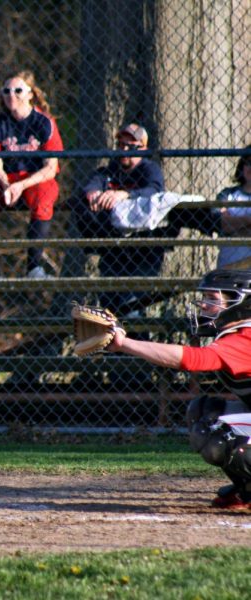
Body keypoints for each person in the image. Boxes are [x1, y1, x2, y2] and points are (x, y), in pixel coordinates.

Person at [107, 269, 251, 508]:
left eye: (213, 300)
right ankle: (247, 489)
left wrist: (125, 344)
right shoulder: (238, 333)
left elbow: (193, 360)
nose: (203, 306)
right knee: (204, 410)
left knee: (217, 434)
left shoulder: (246, 336)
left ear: (243, 303)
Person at [0, 70, 63, 281]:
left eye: (18, 90)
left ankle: (34, 269)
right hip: (8, 181)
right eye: (6, 90)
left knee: (44, 200)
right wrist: (7, 183)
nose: (12, 95)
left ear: (30, 94)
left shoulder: (44, 122)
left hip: (36, 179)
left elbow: (50, 168)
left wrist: (22, 185)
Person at [70, 123, 166, 314]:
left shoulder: (149, 169)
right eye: (120, 145)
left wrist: (124, 194)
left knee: (131, 306)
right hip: (113, 250)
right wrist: (94, 193)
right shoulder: (110, 171)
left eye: (130, 146)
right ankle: (114, 343)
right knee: (110, 306)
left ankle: (138, 342)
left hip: (142, 250)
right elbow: (91, 185)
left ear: (142, 148)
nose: (123, 150)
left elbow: (154, 190)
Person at [212, 149, 251, 270]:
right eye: (248, 162)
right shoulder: (227, 194)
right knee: (211, 289)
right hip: (227, 268)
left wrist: (235, 227)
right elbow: (223, 224)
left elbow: (229, 226)